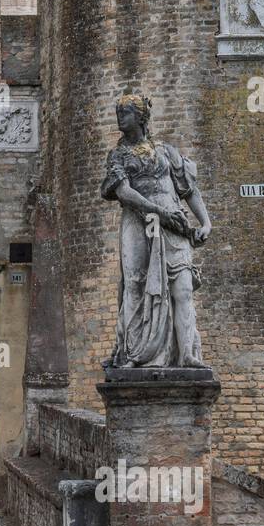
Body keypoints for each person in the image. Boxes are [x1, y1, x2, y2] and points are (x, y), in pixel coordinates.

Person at [100, 94, 211, 368]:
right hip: (139, 223)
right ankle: (134, 355)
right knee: (136, 285)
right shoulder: (118, 155)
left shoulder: (165, 151)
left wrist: (206, 223)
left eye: (125, 112)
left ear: (140, 117)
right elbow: (124, 193)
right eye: (118, 112)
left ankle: (187, 354)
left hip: (175, 227)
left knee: (182, 288)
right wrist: (162, 214)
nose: (119, 117)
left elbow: (189, 190)